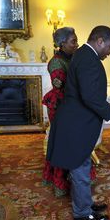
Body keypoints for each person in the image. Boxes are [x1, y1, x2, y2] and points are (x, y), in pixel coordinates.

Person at [46, 25, 110, 220]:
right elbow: (89, 96)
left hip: (74, 120)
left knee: (83, 165)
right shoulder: (88, 59)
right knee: (80, 169)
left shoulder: (82, 54)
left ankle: (85, 205)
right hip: (75, 123)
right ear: (99, 41)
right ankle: (82, 213)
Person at [42, 27, 81, 197]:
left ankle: (76, 177)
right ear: (62, 43)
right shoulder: (56, 62)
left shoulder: (74, 57)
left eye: (76, 40)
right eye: (73, 41)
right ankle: (61, 182)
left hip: (72, 104)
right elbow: (61, 85)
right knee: (63, 143)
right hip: (60, 107)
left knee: (73, 142)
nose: (77, 44)